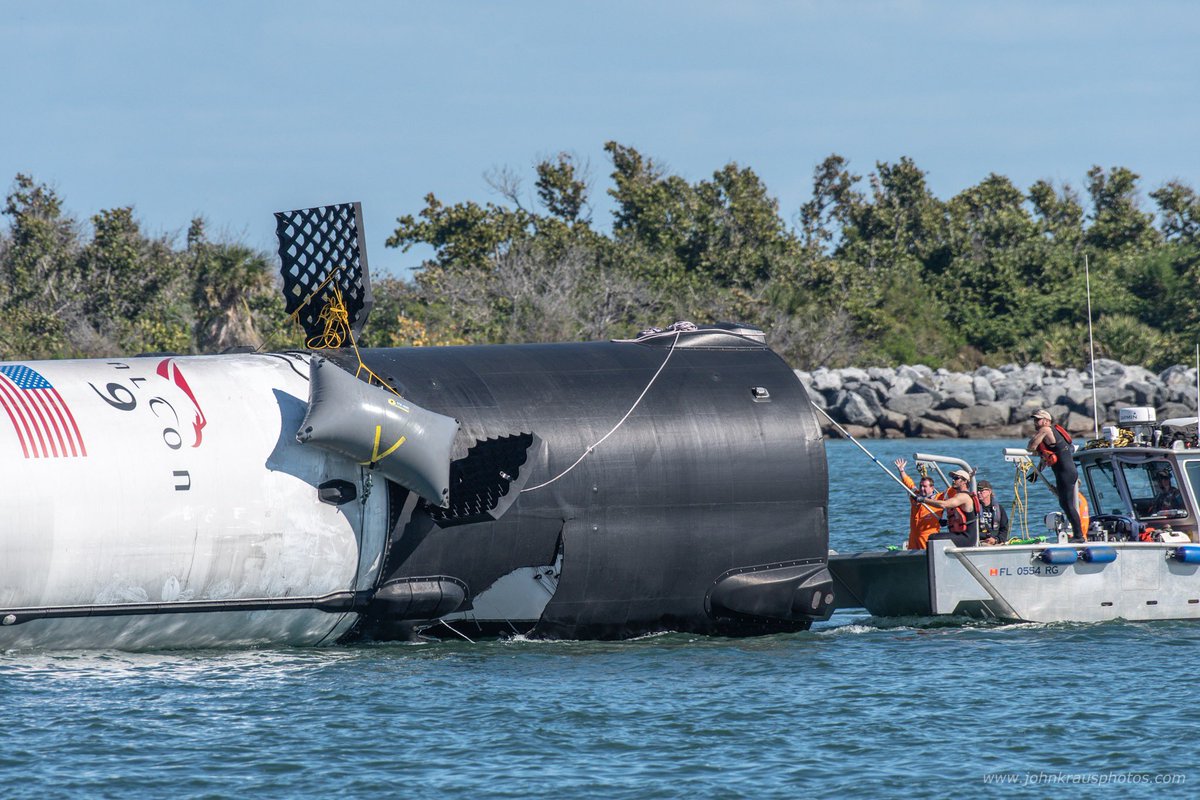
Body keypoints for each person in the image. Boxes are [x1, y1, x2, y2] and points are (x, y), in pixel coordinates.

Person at [1027, 409, 1085, 540]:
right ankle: (1078, 534)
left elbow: (1031, 446)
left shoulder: (1046, 430)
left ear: (1047, 421)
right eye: (1034, 420)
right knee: (1066, 504)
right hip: (1067, 472)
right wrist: (1036, 474)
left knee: (1067, 505)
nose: (1035, 422)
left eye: (1038, 419)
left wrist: (1034, 442)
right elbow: (1046, 457)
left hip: (1065, 473)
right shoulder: (1052, 432)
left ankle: (1079, 535)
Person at [921, 469, 980, 546]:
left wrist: (924, 500)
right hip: (959, 534)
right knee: (934, 537)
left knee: (933, 537)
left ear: (964, 481)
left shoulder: (963, 496)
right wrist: (947, 522)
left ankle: (936, 557)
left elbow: (944, 504)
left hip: (967, 537)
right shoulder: (958, 496)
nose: (953, 480)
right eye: (953, 478)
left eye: (956, 478)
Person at [895, 458, 944, 550]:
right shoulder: (915, 495)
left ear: (932, 488)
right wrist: (901, 470)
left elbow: (952, 492)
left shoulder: (939, 498)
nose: (922, 489)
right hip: (913, 536)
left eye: (925, 486)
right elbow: (908, 483)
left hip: (928, 537)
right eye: (921, 486)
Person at [976, 480, 1009, 545]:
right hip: (980, 542)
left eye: (981, 490)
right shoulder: (974, 509)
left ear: (989, 491)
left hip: (996, 541)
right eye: (977, 490)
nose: (978, 492)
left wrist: (996, 540)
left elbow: (1004, 529)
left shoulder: (999, 509)